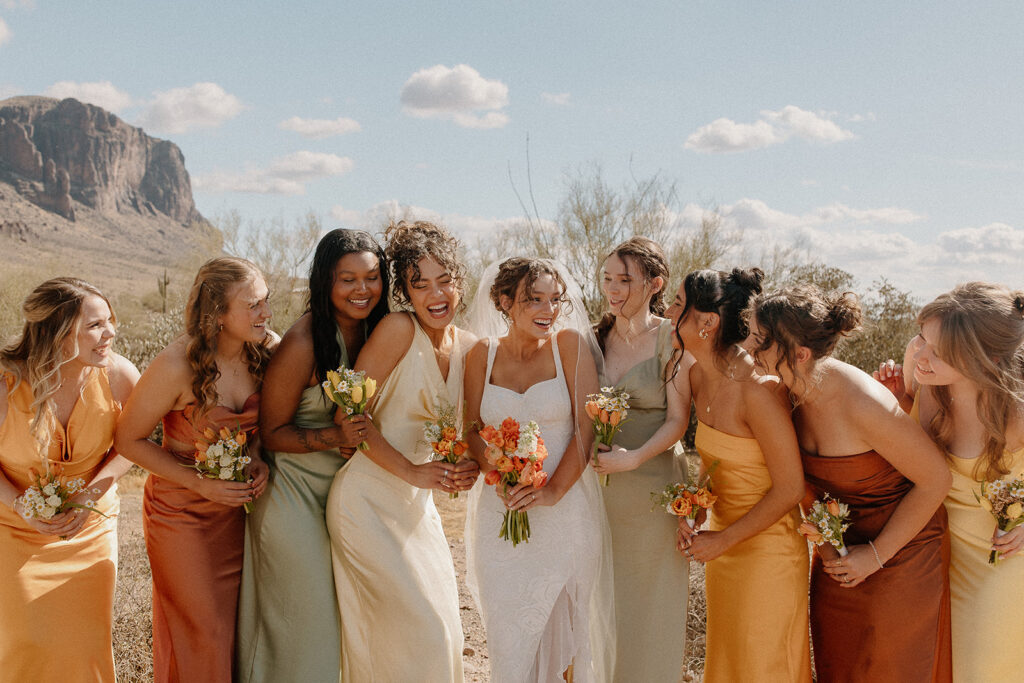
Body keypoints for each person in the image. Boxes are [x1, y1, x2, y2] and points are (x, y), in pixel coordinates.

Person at [750, 284, 952, 682]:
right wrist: (828, 549)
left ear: (800, 354)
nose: (750, 348)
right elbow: (805, 488)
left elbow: (936, 480)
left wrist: (874, 556)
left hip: (902, 554)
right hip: (838, 558)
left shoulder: (861, 402)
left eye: (761, 341)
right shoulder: (785, 393)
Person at [325, 220, 479, 682]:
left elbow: (471, 431)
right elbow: (349, 418)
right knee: (421, 631)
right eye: (420, 284)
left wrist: (469, 465)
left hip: (417, 509)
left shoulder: (471, 348)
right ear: (405, 293)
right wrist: (412, 472)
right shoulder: (397, 330)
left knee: (447, 631)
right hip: (365, 503)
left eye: (444, 281)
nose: (436, 295)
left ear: (459, 282)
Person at [236, 229, 389, 682]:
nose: (362, 289)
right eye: (348, 279)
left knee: (342, 620)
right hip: (292, 498)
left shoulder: (377, 332)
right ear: (325, 281)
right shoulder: (303, 343)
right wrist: (333, 436)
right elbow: (271, 433)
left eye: (372, 277)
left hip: (346, 497)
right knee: (305, 620)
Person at [115, 257, 274, 683]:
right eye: (253, 305)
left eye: (266, 300)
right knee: (205, 631)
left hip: (240, 514)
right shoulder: (175, 366)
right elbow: (127, 440)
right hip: (181, 516)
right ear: (218, 314)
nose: (266, 312)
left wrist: (256, 454)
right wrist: (198, 483)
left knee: (238, 629)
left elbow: (266, 422)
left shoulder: (265, 351)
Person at [463, 257, 615, 683]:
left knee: (568, 638)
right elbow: (471, 428)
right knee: (510, 640)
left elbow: (586, 427)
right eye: (534, 300)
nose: (549, 310)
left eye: (555, 299)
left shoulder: (569, 345)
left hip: (565, 514)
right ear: (504, 301)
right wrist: (499, 472)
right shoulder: (481, 354)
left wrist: (551, 492)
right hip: (502, 513)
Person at [874, 281, 1024, 682]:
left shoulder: (1016, 414)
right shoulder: (923, 378)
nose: (921, 355)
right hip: (938, 558)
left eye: (939, 352)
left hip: (1002, 562)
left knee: (980, 669)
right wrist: (900, 403)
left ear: (988, 358)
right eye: (922, 338)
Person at [672, 268, 811, 683]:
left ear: (707, 322)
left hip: (768, 552)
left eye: (677, 305)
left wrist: (724, 539)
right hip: (722, 548)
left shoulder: (758, 390)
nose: (667, 313)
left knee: (763, 665)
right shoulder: (697, 375)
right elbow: (713, 462)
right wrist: (695, 508)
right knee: (730, 662)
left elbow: (791, 488)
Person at [0, 278, 139, 682]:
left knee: (86, 642)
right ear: (58, 333)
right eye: (95, 325)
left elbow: (134, 444)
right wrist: (20, 505)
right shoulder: (6, 383)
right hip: (14, 528)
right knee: (26, 638)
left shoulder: (118, 375)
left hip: (89, 526)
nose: (110, 333)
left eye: (110, 321)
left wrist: (92, 494)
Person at [589, 237, 692, 682]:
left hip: (652, 494)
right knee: (596, 606)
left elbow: (678, 420)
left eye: (624, 281)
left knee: (648, 609)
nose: (612, 289)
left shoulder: (672, 340)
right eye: (607, 279)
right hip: (594, 496)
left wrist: (634, 458)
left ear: (655, 284)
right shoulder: (592, 338)